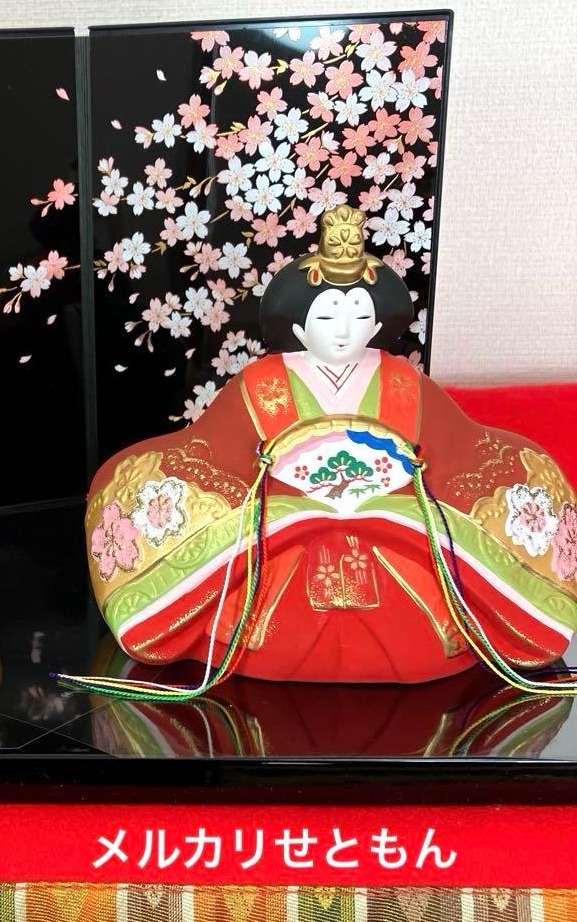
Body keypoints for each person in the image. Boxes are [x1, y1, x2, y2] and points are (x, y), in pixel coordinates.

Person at [82, 207, 576, 686]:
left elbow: (461, 450)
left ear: (377, 325)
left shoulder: (405, 383)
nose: (343, 330)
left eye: (359, 315)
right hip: (280, 526)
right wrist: (289, 492)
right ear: (297, 326)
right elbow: (212, 455)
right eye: (327, 315)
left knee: (430, 580)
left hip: (397, 525)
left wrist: (400, 486)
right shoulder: (260, 384)